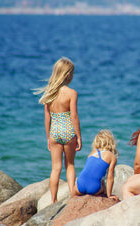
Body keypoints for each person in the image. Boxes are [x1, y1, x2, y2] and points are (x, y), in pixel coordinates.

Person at [34, 57, 82, 203]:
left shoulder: (49, 93)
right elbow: (73, 116)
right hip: (68, 131)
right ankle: (72, 197)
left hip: (54, 132)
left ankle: (53, 201)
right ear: (68, 74)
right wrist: (78, 136)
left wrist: (48, 137)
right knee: (70, 165)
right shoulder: (71, 93)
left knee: (55, 168)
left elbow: (47, 118)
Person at [73, 129, 118, 200]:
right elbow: (110, 177)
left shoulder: (92, 153)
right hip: (94, 188)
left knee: (73, 196)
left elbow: (88, 171)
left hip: (79, 185)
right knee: (102, 182)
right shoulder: (112, 156)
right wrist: (109, 195)